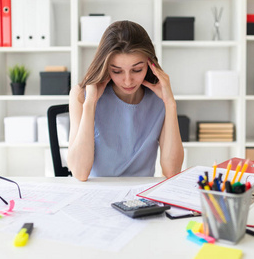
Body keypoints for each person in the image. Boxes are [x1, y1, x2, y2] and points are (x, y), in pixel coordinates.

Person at [68, 20, 184, 181]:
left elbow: (172, 171)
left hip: (140, 196)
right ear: (105, 66)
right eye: (117, 71)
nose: (128, 81)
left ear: (151, 66)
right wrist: (91, 103)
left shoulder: (159, 99)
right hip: (97, 193)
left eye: (137, 70)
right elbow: (79, 173)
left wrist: (170, 103)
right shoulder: (81, 95)